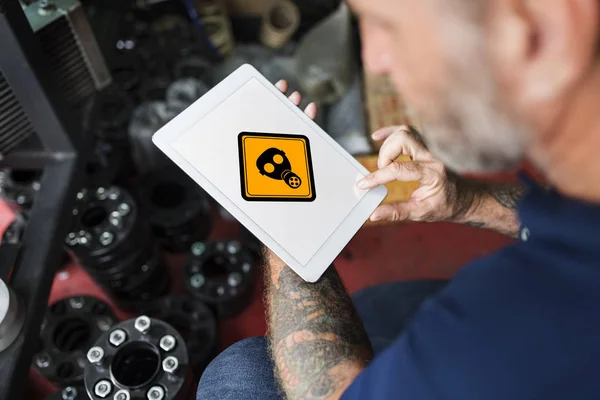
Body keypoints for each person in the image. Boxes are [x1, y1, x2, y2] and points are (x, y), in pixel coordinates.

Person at [197, 0, 600, 398]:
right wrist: (469, 202)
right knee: (374, 307)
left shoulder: (501, 327)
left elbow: (331, 393)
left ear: (545, 24)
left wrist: (283, 223)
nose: (374, 62)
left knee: (236, 377)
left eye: (385, 25)